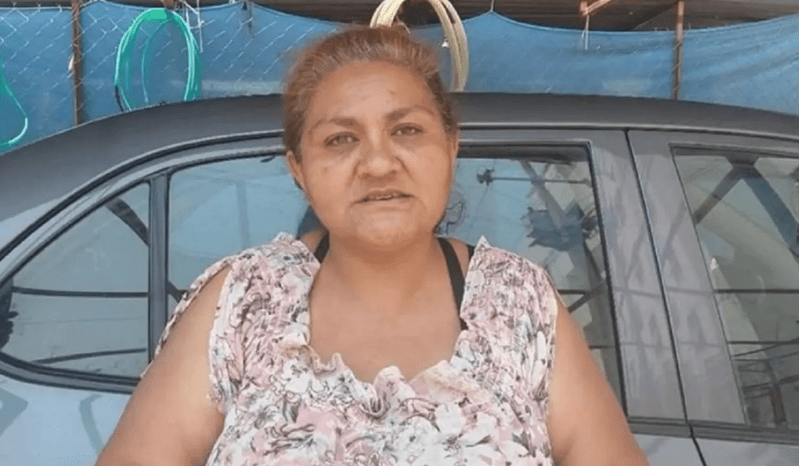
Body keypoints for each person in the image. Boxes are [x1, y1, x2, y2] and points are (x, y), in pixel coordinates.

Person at [96, 25, 649, 466]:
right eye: (341, 139)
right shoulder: (242, 301)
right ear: (299, 169)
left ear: (451, 147)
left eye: (407, 130)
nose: (379, 163)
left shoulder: (520, 302)